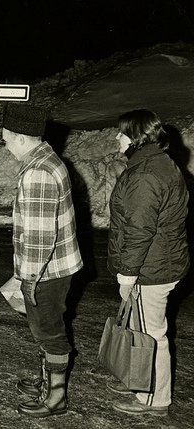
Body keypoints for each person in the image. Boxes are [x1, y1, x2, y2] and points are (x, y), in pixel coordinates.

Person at [0, 103, 83, 418]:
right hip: (55, 266)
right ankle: (47, 380)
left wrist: (28, 279)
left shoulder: (38, 172)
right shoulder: (46, 160)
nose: (5, 144)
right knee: (45, 328)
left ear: (21, 138)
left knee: (49, 332)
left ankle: (56, 397)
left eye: (6, 138)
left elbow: (39, 237)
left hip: (46, 272)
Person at [106, 109, 189, 416]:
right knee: (140, 328)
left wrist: (128, 274)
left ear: (136, 137)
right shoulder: (158, 163)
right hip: (161, 261)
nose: (117, 137)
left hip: (149, 268)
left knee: (149, 335)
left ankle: (153, 398)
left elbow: (139, 231)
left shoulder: (144, 175)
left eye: (122, 132)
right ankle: (139, 380)